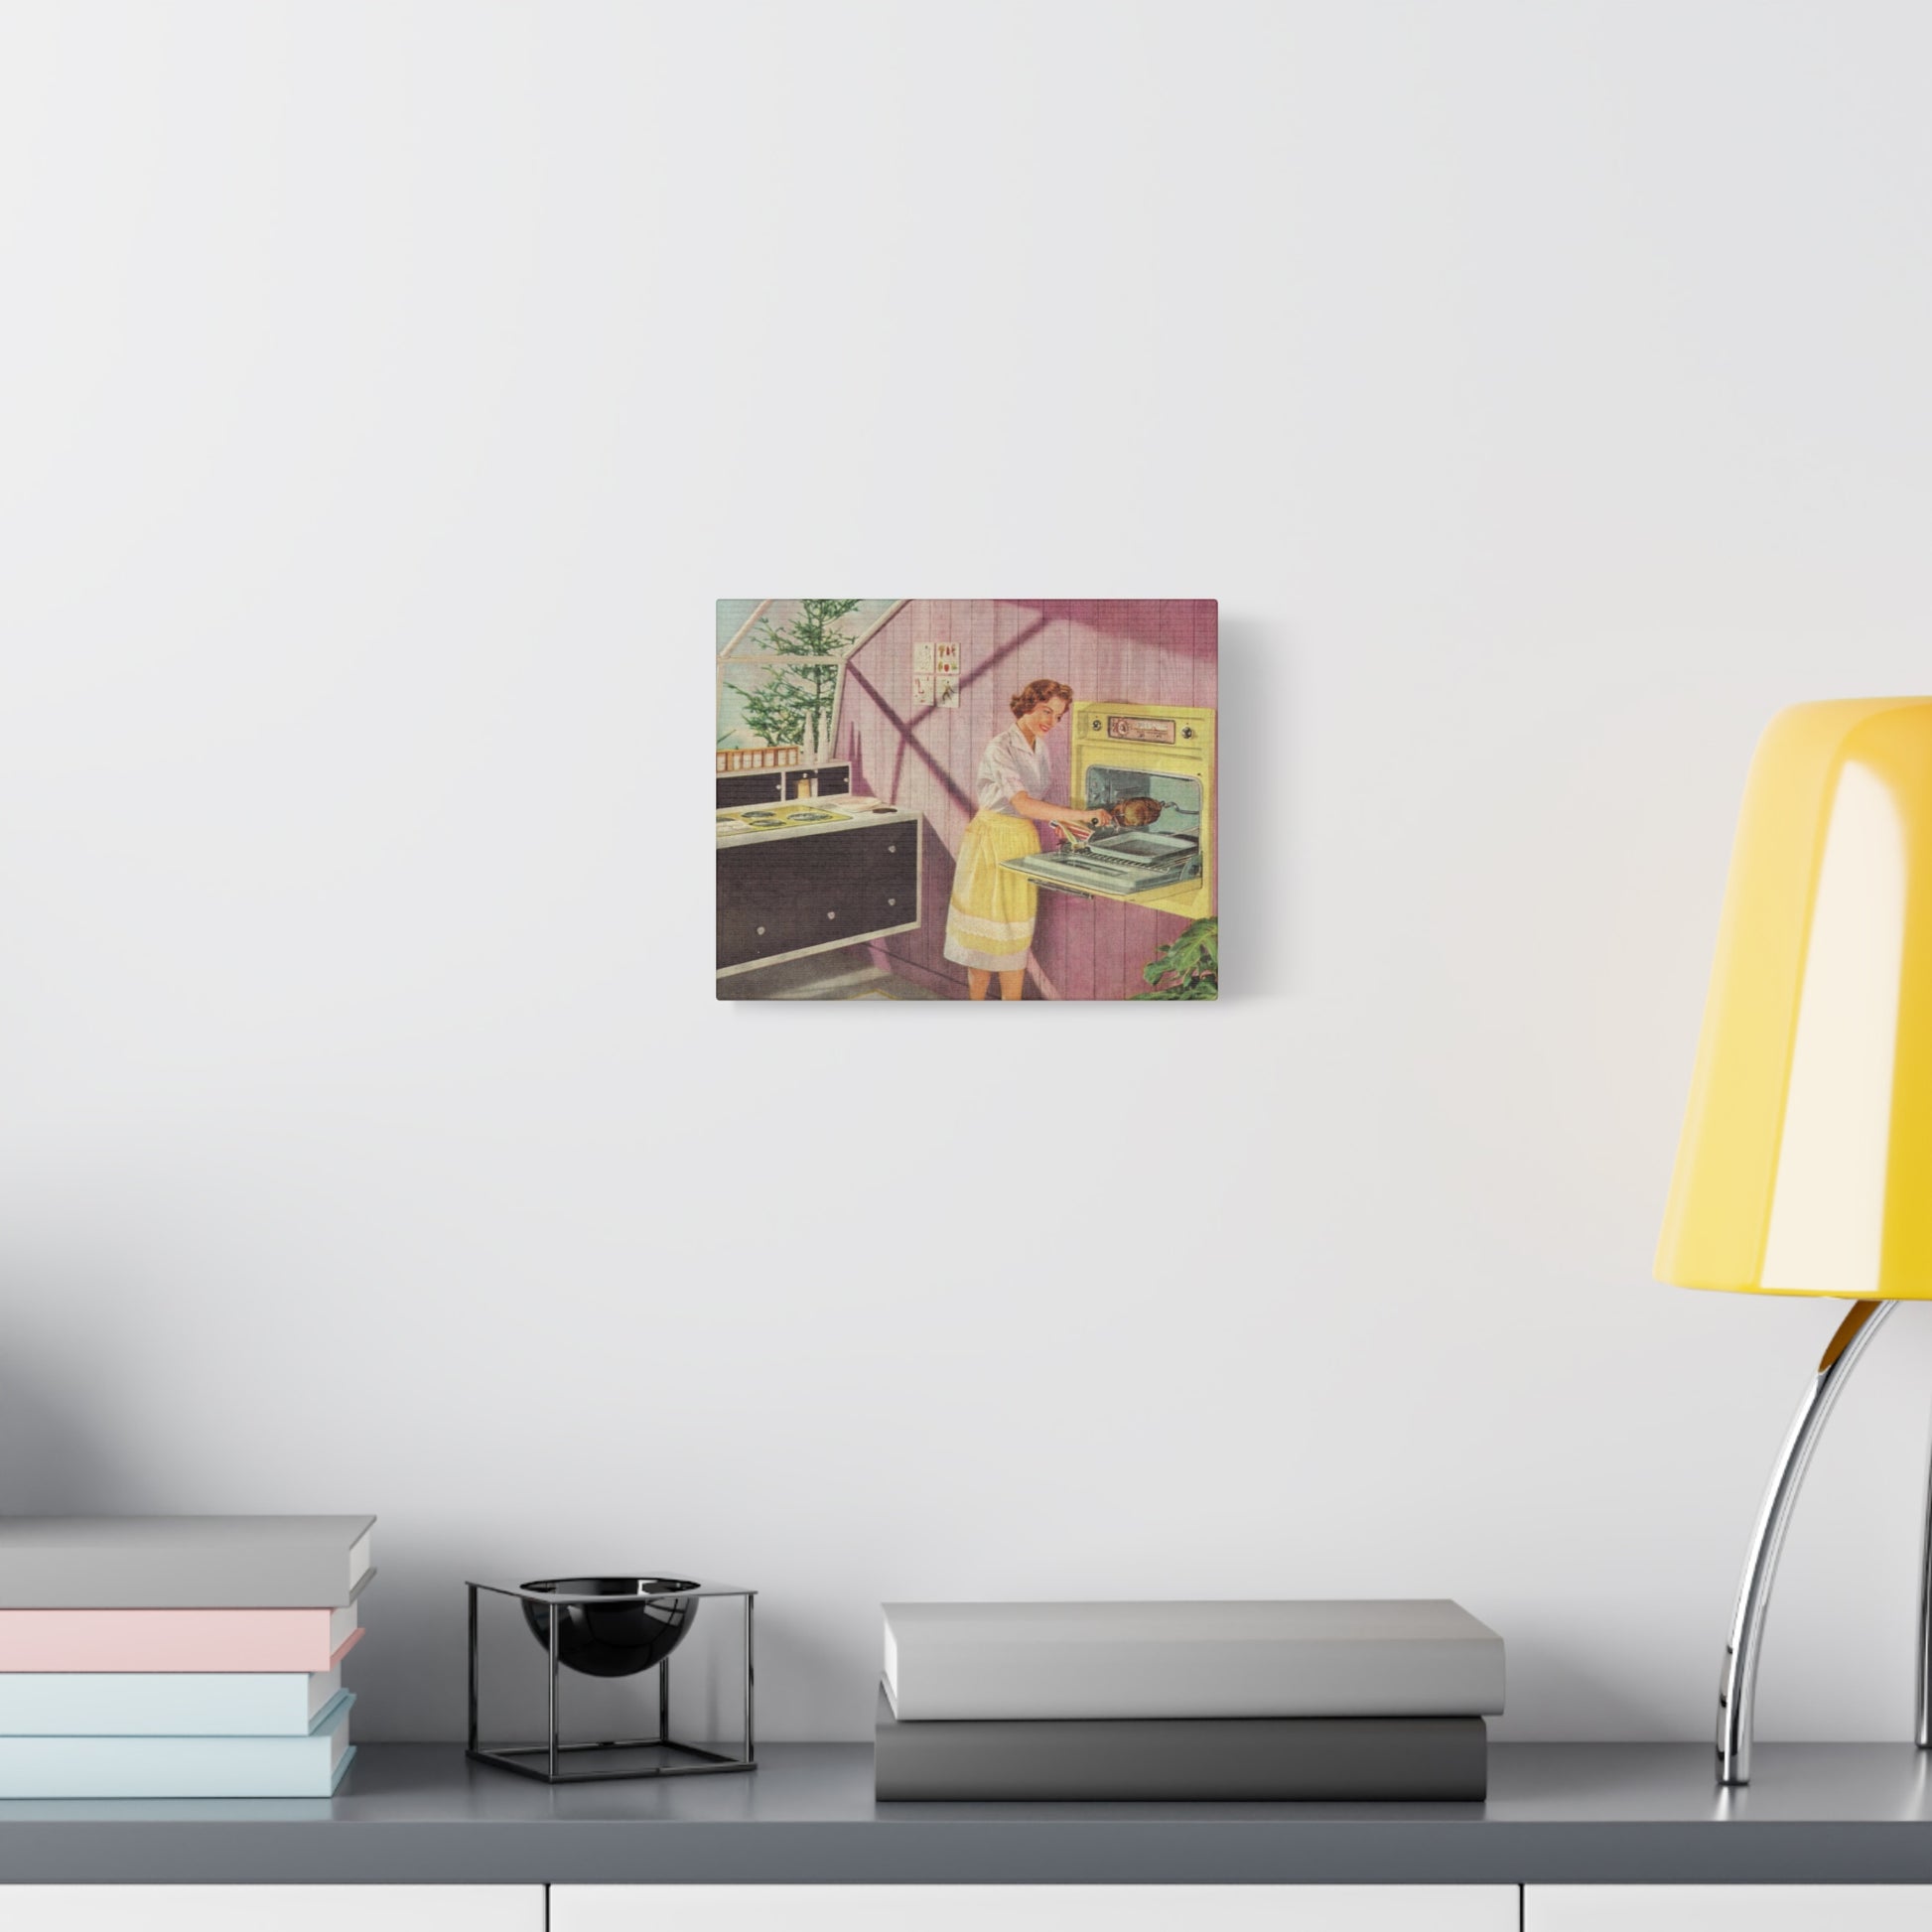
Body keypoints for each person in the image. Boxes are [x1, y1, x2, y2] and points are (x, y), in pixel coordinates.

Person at [943, 679, 1111, 1000]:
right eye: (1046, 711)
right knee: (984, 944)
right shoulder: (1000, 746)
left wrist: (1063, 822)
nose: (1051, 721)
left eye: (1058, 716)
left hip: (1022, 839)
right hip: (990, 843)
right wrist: (1079, 815)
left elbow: (1034, 805)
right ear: (1028, 704)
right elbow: (1020, 803)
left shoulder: (1040, 746)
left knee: (1014, 941)